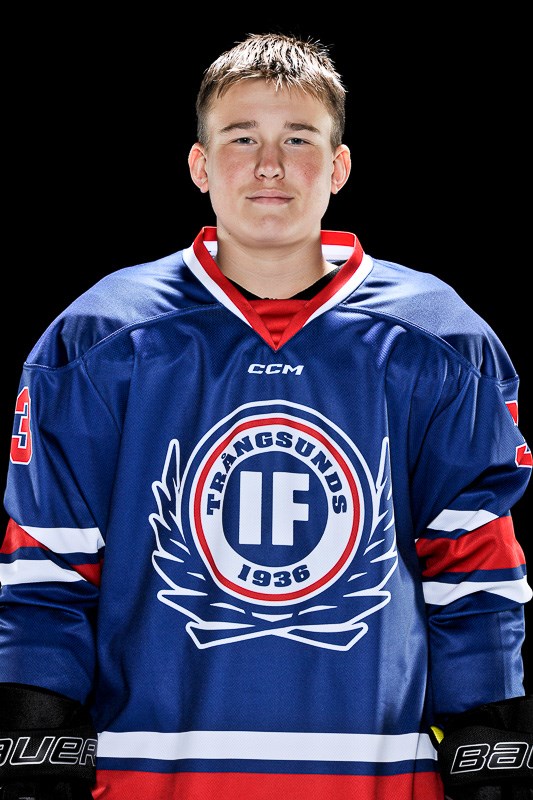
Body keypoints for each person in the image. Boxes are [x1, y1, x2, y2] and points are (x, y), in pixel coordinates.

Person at [0, 31, 531, 800]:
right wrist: (34, 723)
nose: (270, 165)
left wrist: (490, 727)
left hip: (377, 776)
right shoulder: (103, 336)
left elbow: (472, 560)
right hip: (150, 777)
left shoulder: (437, 338)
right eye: (242, 137)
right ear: (200, 164)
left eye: (298, 138)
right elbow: (48, 562)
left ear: (338, 166)